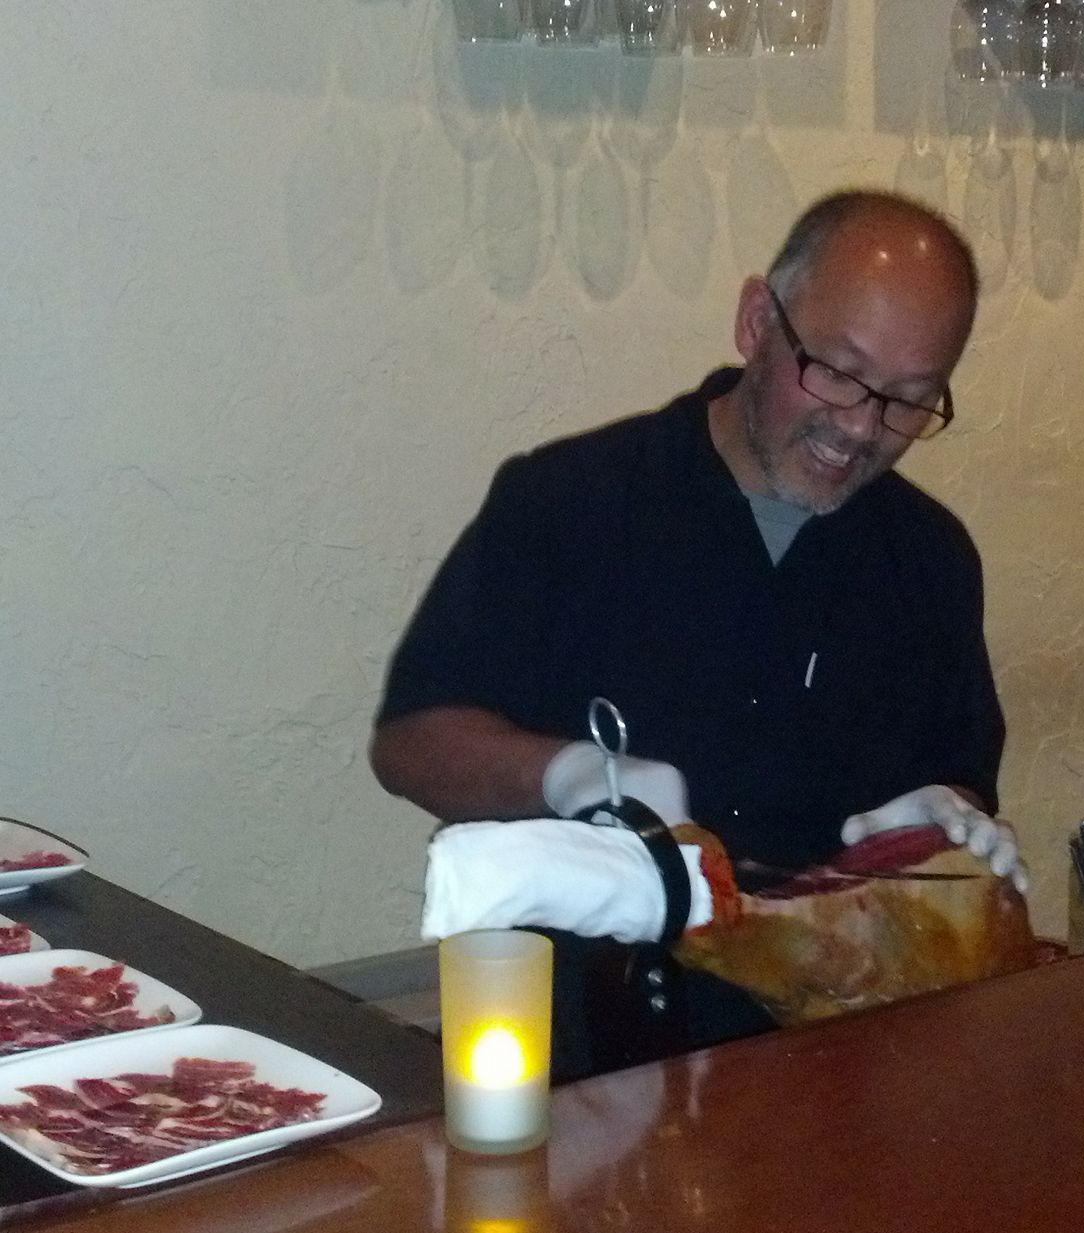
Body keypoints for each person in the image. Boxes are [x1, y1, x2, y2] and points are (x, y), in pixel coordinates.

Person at [371, 189, 1021, 1075]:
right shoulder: (569, 504)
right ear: (757, 322)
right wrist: (567, 774)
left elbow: (958, 786)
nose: (860, 427)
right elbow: (411, 740)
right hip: (586, 1063)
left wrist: (941, 823)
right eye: (837, 371)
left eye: (908, 401)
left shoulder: (930, 560)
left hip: (839, 1067)